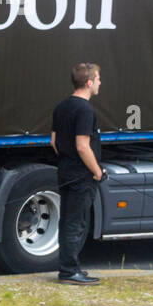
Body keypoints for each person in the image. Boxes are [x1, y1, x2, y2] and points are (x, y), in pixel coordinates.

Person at [50, 62, 106, 285]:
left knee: (67, 221)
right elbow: (83, 145)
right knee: (77, 223)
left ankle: (68, 269)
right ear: (89, 82)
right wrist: (97, 171)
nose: (101, 83)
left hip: (65, 172)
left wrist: (67, 158)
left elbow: (54, 142)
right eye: (99, 79)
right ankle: (69, 271)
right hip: (81, 176)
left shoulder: (61, 107)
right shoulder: (85, 110)